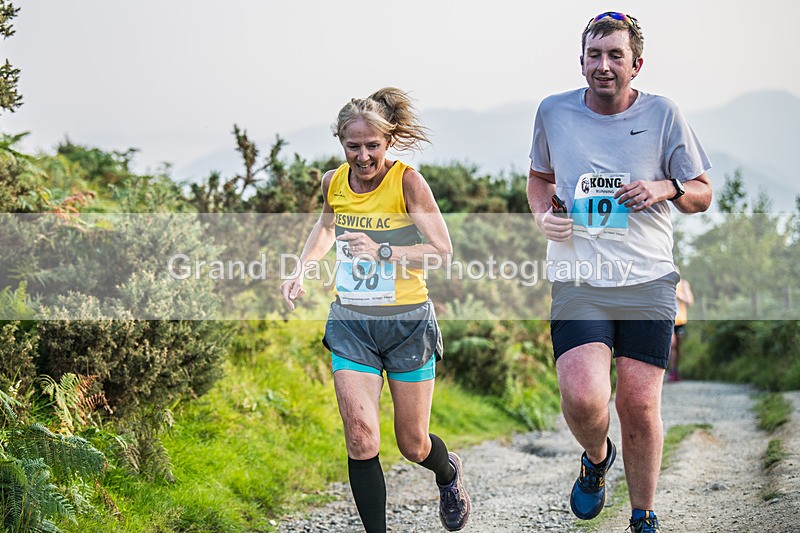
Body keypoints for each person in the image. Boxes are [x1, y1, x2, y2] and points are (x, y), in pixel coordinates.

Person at [527, 12, 712, 533]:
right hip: (578, 278)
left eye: (615, 56)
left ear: (637, 64)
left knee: (637, 402)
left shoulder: (664, 114)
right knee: (584, 398)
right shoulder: (553, 112)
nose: (603, 66)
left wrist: (665, 188)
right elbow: (540, 178)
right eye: (594, 55)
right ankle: (595, 457)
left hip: (648, 277)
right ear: (581, 59)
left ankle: (643, 516)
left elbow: (701, 192)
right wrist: (544, 215)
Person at [280, 87, 470, 533]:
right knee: (361, 436)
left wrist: (383, 251)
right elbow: (326, 227)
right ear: (340, 142)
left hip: (407, 324)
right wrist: (301, 270)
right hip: (352, 322)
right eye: (353, 146)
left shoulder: (407, 182)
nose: (363, 156)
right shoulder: (334, 182)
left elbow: (442, 251)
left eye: (372, 146)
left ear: (388, 143)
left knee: (414, 444)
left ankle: (448, 473)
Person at [668, 272, 695, 382]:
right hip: (669, 320)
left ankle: (675, 371)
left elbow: (690, 301)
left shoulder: (684, 284)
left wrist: (680, 297)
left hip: (681, 320)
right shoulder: (667, 284)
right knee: (671, 345)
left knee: (678, 348)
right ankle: (671, 371)